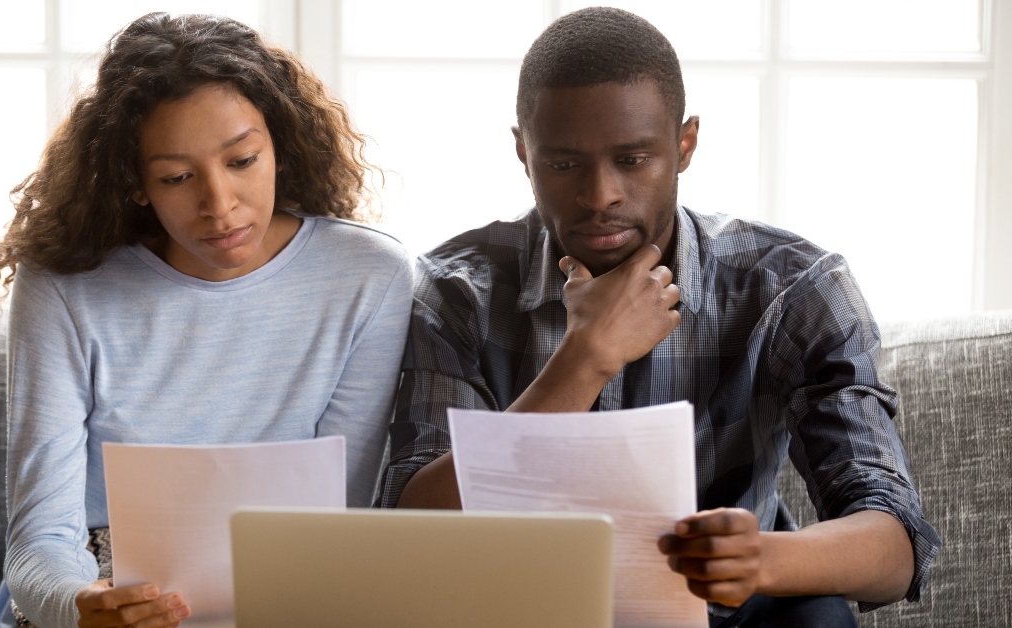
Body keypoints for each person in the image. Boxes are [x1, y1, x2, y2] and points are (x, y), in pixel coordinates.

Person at [379, 7, 938, 627]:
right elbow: (408, 531)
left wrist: (758, 559)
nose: (600, 196)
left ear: (685, 144)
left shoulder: (790, 286)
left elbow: (894, 548)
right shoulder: (455, 292)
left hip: (734, 611)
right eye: (564, 164)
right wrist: (584, 361)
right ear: (522, 151)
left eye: (633, 159)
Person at [0, 13, 412, 628]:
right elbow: (38, 541)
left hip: (281, 573)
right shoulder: (62, 286)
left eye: (242, 160)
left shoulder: (369, 276)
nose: (220, 205)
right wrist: (82, 608)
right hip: (91, 581)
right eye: (177, 178)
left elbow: (343, 510)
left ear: (280, 148)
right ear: (136, 183)